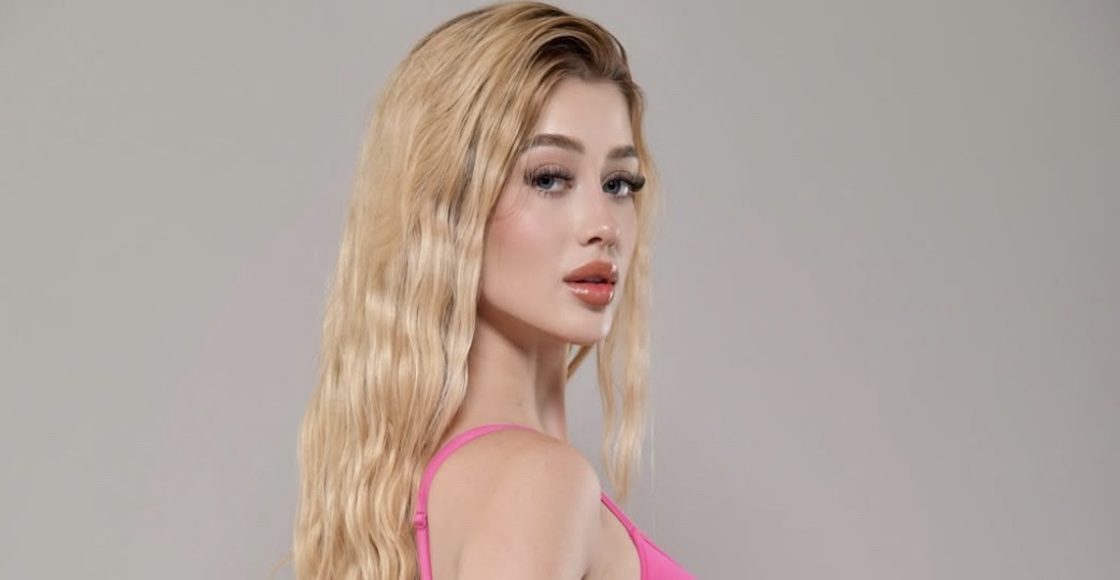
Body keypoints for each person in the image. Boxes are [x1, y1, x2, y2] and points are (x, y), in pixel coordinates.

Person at [285, 2, 694, 578]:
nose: (604, 224)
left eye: (619, 183)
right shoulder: (539, 484)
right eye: (549, 178)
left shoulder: (432, 490)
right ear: (448, 208)